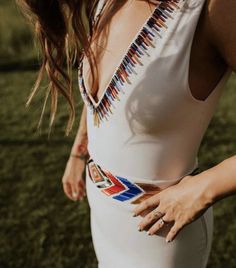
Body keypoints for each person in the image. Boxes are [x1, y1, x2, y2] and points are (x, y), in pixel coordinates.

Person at [17, 0, 236, 267]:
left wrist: (204, 188)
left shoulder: (215, 7)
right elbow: (107, 94)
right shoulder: (107, 1)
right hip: (103, 214)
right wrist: (79, 151)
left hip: (160, 234)